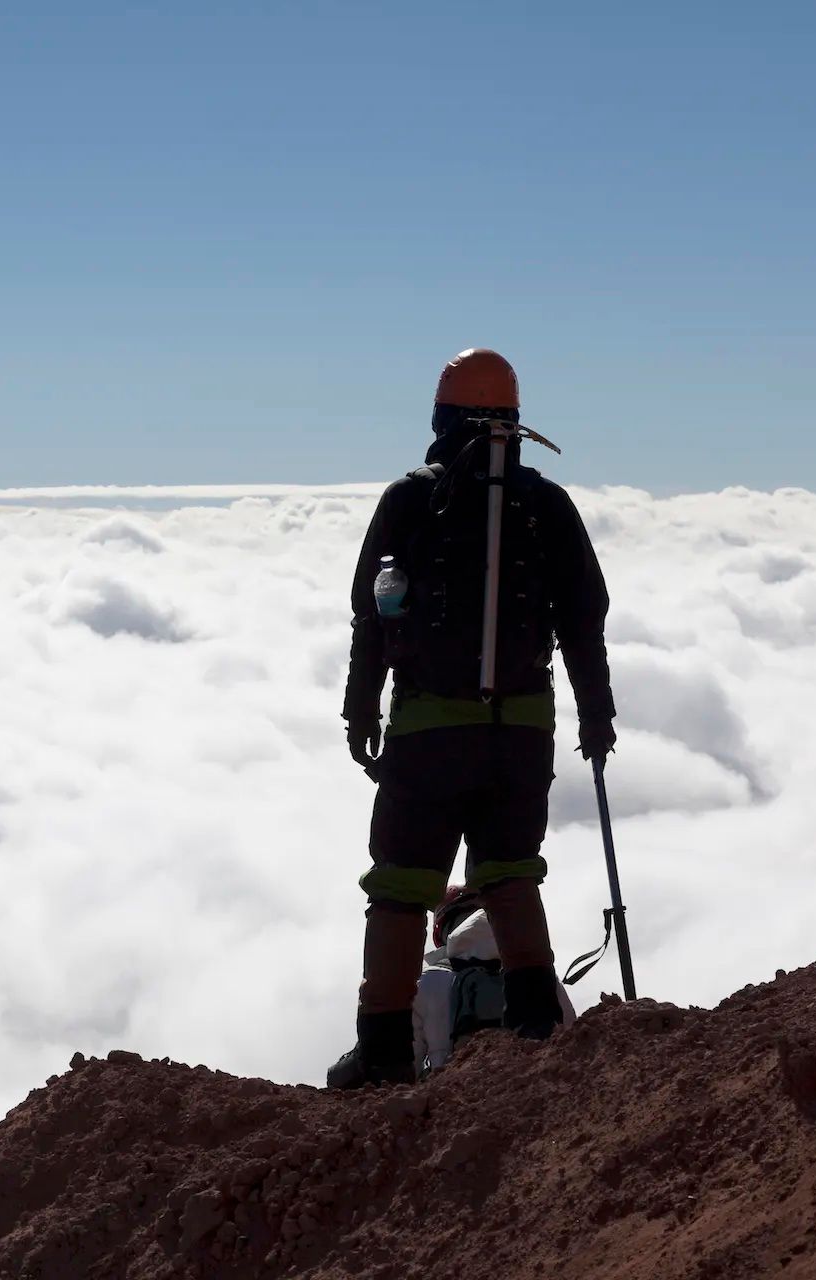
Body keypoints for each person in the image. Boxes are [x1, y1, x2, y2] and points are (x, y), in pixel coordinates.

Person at [327, 348, 616, 1090]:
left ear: (440, 416)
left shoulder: (408, 500)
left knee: (400, 887)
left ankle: (384, 1049)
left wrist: (361, 709)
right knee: (512, 874)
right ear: (516, 422)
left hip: (429, 734)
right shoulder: (546, 504)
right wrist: (596, 714)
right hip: (522, 732)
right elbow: (584, 619)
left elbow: (371, 616)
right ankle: (535, 1027)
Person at [415, 887, 577, 1077]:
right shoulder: (533, 970)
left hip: (459, 1098)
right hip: (537, 1091)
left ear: (438, 933)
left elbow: (406, 1069)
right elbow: (571, 1038)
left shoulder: (427, 983)